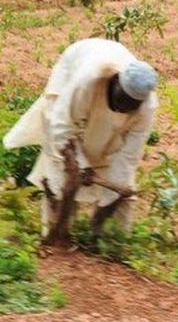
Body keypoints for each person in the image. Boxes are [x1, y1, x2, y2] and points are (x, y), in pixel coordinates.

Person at [2, 39, 158, 238]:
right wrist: (80, 166)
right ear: (115, 81)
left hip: (101, 119)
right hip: (73, 71)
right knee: (60, 171)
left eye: (131, 105)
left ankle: (113, 242)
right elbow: (62, 126)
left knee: (122, 192)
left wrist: (112, 199)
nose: (123, 108)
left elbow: (128, 157)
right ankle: (55, 236)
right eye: (121, 100)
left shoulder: (147, 108)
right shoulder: (88, 80)